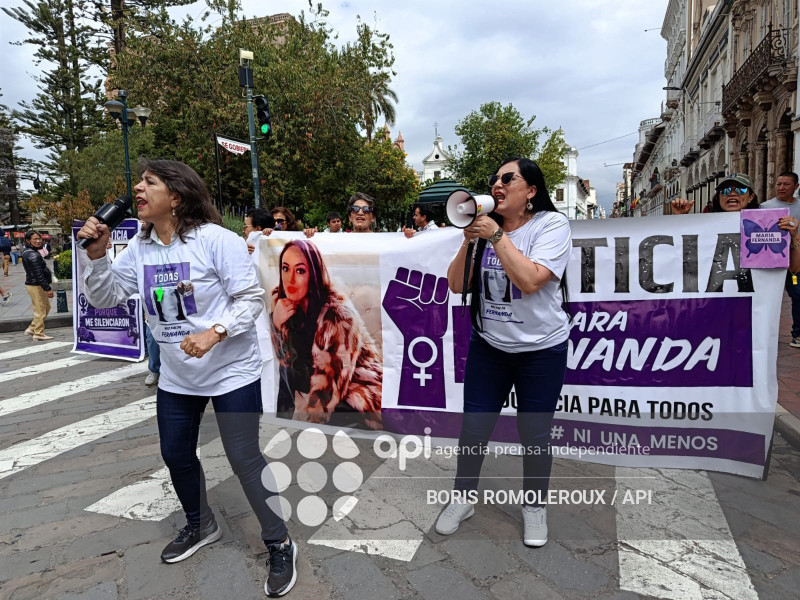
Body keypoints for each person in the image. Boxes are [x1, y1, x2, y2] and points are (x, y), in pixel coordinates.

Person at [76, 159, 298, 597]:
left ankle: (279, 540)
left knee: (244, 459)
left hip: (231, 370)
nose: (137, 189)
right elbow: (105, 297)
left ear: (175, 197)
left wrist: (215, 333)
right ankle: (202, 524)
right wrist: (97, 256)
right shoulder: (138, 249)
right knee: (176, 453)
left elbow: (250, 296)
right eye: (140, 182)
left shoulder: (216, 240)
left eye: (149, 183)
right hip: (178, 377)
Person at [437, 157, 571, 548]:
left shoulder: (551, 225)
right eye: (494, 178)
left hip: (541, 350)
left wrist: (496, 236)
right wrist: (468, 242)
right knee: (474, 428)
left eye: (508, 178)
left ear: (530, 191)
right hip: (490, 346)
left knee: (535, 433)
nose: (498, 184)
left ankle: (534, 507)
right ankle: (463, 499)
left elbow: (531, 281)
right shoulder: (481, 232)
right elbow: (457, 285)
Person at [270, 239, 382, 429]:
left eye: (300, 271)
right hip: (309, 374)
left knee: (347, 410)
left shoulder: (337, 315)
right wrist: (276, 324)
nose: (290, 279)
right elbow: (279, 361)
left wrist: (310, 429)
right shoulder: (281, 302)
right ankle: (280, 426)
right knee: (282, 373)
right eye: (285, 268)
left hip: (355, 382)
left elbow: (329, 384)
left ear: (313, 274)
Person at [762, 172, 800, 348]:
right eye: (779, 184)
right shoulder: (765, 207)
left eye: (786, 184)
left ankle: (797, 334)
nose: (781, 188)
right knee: (767, 297)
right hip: (771, 260)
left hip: (795, 258)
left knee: (798, 294)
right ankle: (762, 333)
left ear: (796, 187)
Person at [21, 231, 55, 340]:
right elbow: (38, 274)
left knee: (46, 307)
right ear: (28, 241)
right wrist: (47, 288)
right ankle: (38, 333)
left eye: (39, 238)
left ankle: (32, 328)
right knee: (40, 309)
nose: (38, 241)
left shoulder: (31, 252)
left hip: (35, 284)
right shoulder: (32, 254)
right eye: (35, 239)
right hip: (36, 285)